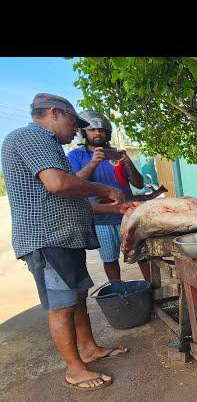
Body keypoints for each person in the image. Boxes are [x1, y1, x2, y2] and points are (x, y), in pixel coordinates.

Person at [1, 93, 130, 391]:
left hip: (64, 237)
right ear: (56, 113)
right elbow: (59, 185)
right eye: (74, 122)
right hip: (46, 239)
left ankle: (88, 349)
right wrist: (104, 188)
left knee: (78, 298)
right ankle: (74, 369)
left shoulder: (49, 147)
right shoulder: (31, 137)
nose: (77, 130)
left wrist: (115, 208)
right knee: (62, 307)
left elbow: (67, 200)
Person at [67, 110, 151, 283]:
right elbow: (74, 184)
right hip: (101, 219)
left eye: (102, 130)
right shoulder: (76, 155)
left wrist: (127, 162)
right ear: (84, 132)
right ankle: (118, 291)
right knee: (110, 260)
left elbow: (139, 184)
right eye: (92, 130)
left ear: (107, 133)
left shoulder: (116, 155)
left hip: (128, 216)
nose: (98, 133)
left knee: (142, 255)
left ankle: (153, 288)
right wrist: (93, 163)